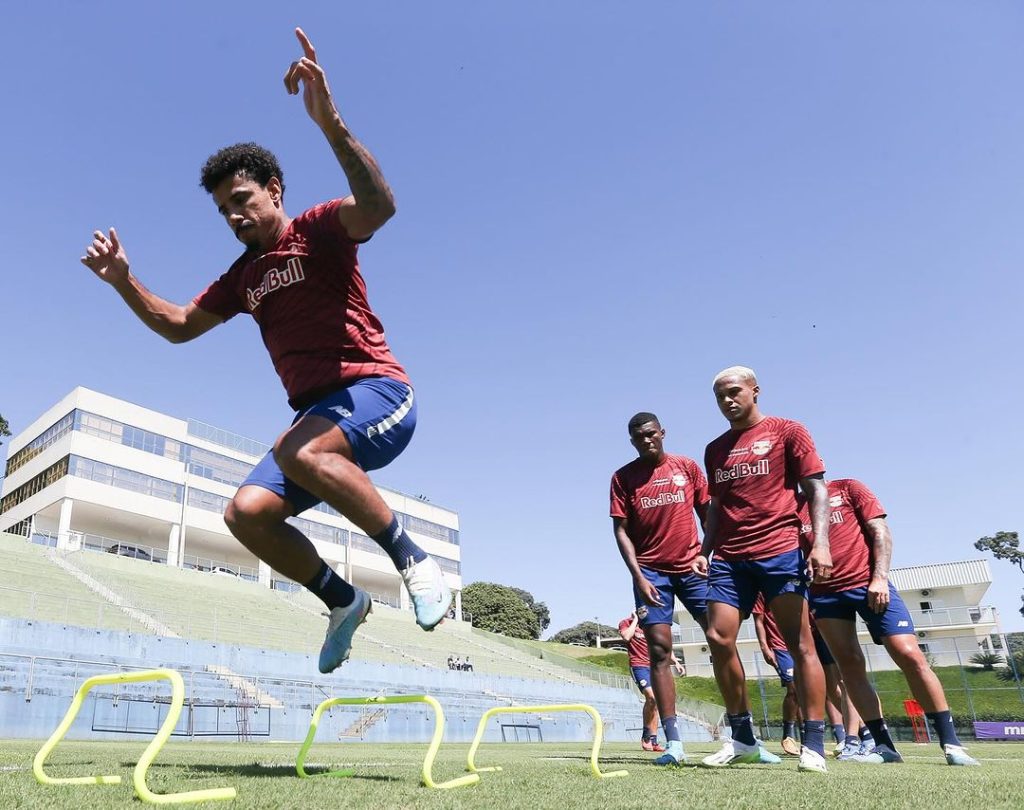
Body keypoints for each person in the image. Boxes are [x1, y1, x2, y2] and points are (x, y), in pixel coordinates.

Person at [80, 28, 451, 675]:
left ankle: (413, 559)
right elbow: (176, 324)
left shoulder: (317, 231)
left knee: (298, 449)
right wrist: (123, 282)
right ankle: (342, 600)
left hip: (380, 395)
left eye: (242, 201)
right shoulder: (243, 277)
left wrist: (330, 122)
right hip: (316, 425)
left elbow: (379, 206)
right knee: (245, 512)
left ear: (274, 190)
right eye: (224, 209)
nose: (234, 216)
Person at [693, 367, 833, 773]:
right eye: (719, 396)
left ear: (755, 390)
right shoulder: (715, 449)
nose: (727, 401)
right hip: (730, 559)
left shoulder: (788, 430)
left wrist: (820, 544)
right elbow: (717, 507)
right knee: (718, 637)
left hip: (779, 551)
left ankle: (813, 743)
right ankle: (742, 739)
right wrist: (705, 548)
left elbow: (816, 488)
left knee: (799, 642)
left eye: (734, 392)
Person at [801, 478, 980, 766]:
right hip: (825, 596)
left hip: (869, 586)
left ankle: (952, 743)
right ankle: (884, 746)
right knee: (849, 666)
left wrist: (880, 577)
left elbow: (880, 530)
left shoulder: (847, 488)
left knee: (910, 655)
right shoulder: (790, 506)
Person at [611, 413, 711, 765]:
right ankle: (674, 742)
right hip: (651, 574)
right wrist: (639, 576)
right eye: (638, 437)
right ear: (632, 440)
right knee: (659, 650)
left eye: (651, 434)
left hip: (691, 566)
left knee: (720, 638)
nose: (646, 440)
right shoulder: (623, 478)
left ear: (662, 432)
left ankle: (744, 736)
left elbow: (707, 511)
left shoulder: (686, 466)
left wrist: (706, 552)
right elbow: (621, 530)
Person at [752, 592, 801, 756]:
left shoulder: (795, 583)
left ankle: (808, 739)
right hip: (779, 647)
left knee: (804, 691)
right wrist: (765, 647)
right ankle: (787, 736)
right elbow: (758, 620)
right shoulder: (761, 591)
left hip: (800, 645)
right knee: (793, 688)